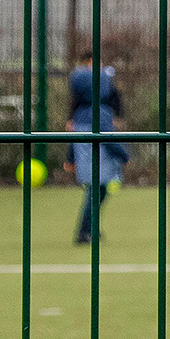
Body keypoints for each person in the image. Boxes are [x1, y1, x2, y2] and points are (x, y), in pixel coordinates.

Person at [67, 58, 129, 246]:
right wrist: (123, 155)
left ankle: (89, 228)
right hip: (98, 161)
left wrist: (70, 158)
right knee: (95, 193)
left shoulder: (80, 114)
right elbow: (108, 138)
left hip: (92, 161)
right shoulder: (99, 112)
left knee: (98, 192)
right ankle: (84, 232)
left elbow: (74, 137)